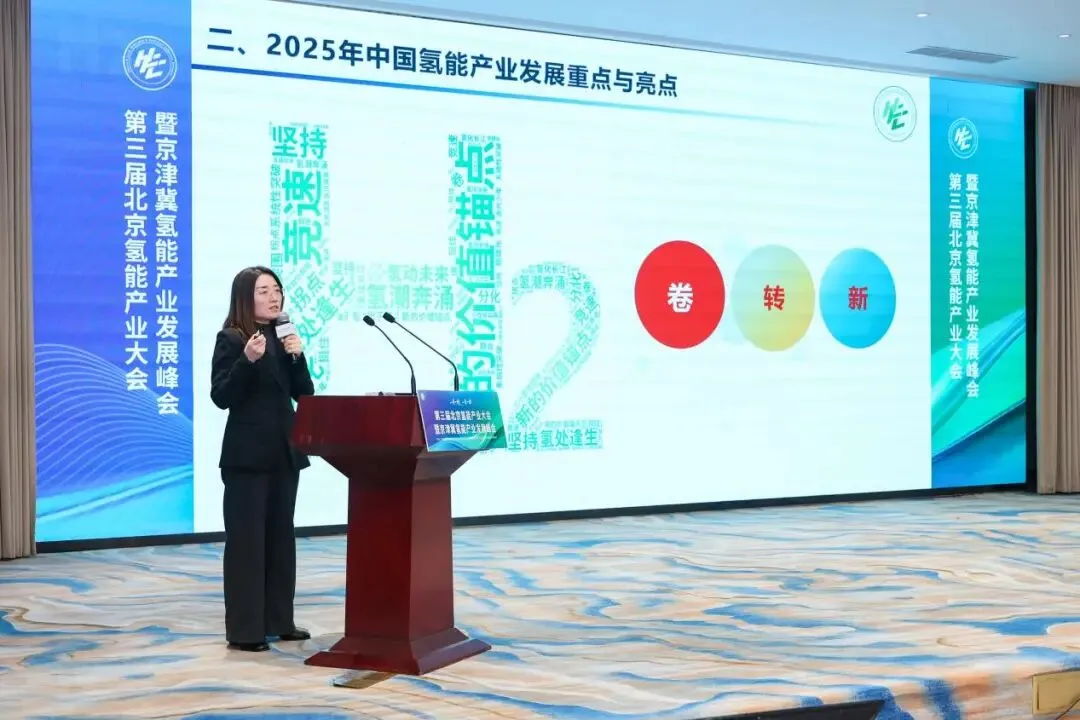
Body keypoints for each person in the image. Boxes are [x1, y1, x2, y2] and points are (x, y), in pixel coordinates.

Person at [210, 265, 315, 652]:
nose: (274, 297)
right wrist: (246, 361)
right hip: (247, 457)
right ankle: (246, 630)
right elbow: (221, 396)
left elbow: (305, 394)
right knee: (247, 543)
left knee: (280, 539)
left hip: (284, 452)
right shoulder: (232, 338)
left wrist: (297, 357)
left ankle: (279, 620)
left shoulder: (284, 335)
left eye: (277, 290)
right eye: (264, 291)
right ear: (245, 298)